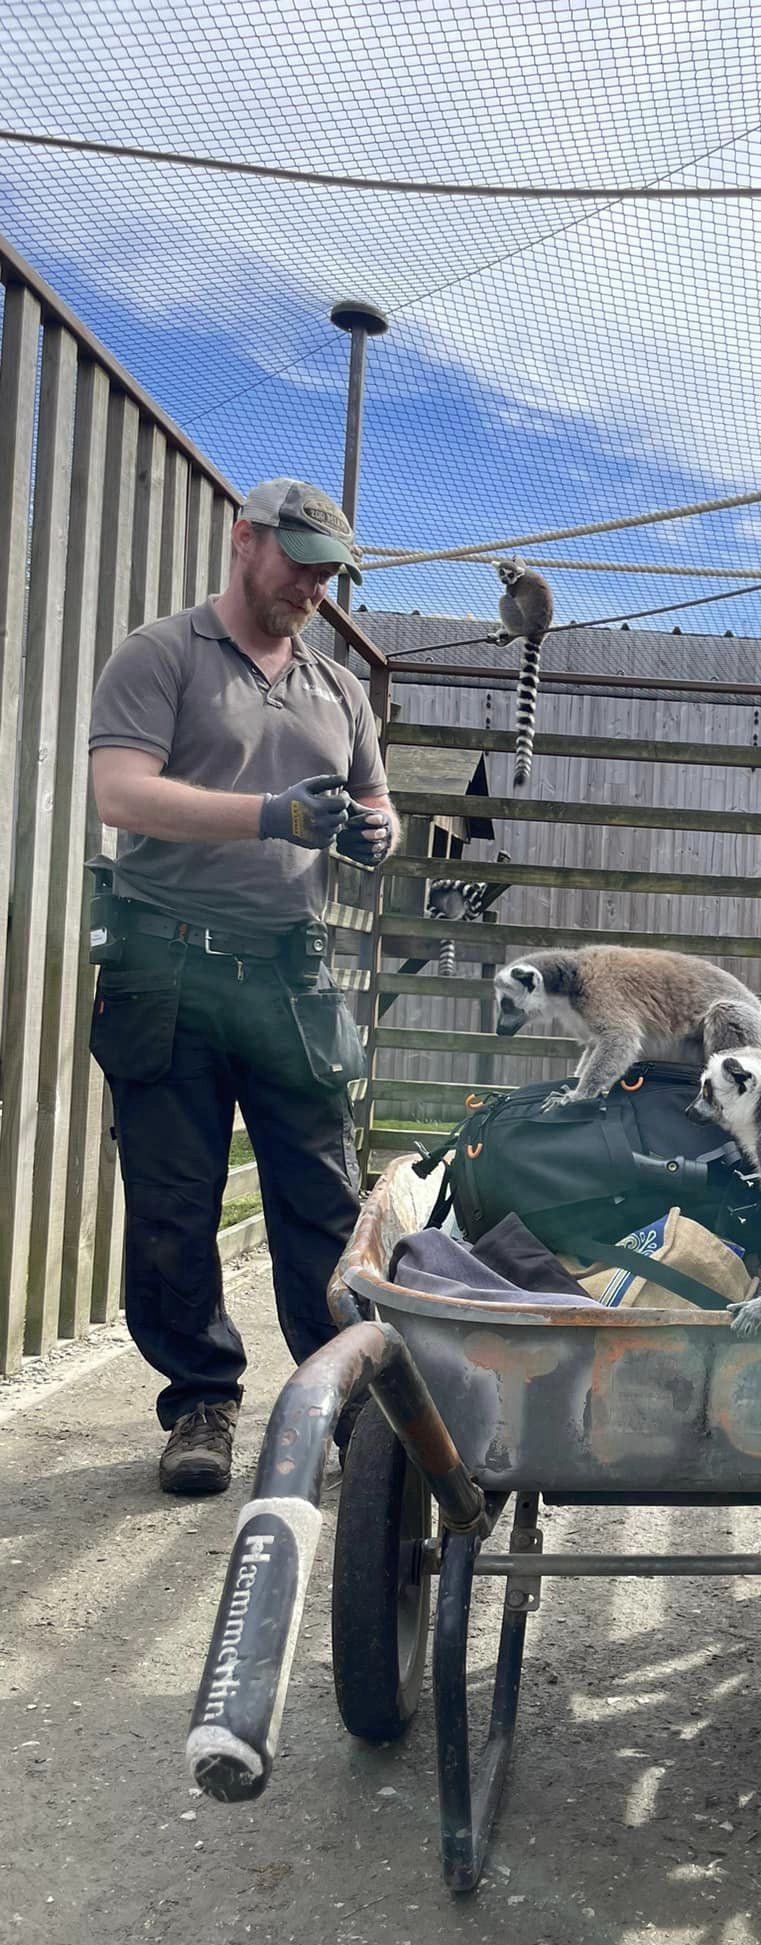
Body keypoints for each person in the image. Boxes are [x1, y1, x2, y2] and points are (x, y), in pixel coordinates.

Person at [88, 478, 397, 1494]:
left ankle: (335, 1398)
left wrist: (376, 831)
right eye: (299, 559)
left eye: (326, 570)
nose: (313, 584)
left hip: (287, 974)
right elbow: (120, 791)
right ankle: (202, 1402)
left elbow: (374, 803)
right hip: (162, 966)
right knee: (175, 1204)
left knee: (321, 1200)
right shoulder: (162, 654)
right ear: (244, 540)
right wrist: (267, 815)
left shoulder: (340, 689)